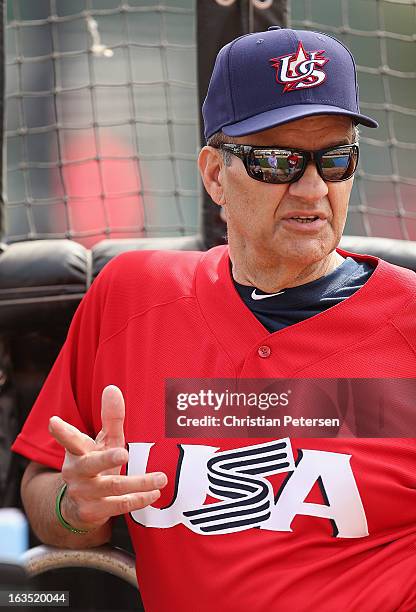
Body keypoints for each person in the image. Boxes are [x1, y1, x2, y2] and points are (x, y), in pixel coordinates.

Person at [12, 27, 416, 612]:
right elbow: (47, 496)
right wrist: (75, 508)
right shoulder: (130, 296)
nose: (312, 188)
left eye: (334, 159)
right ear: (213, 175)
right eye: (277, 161)